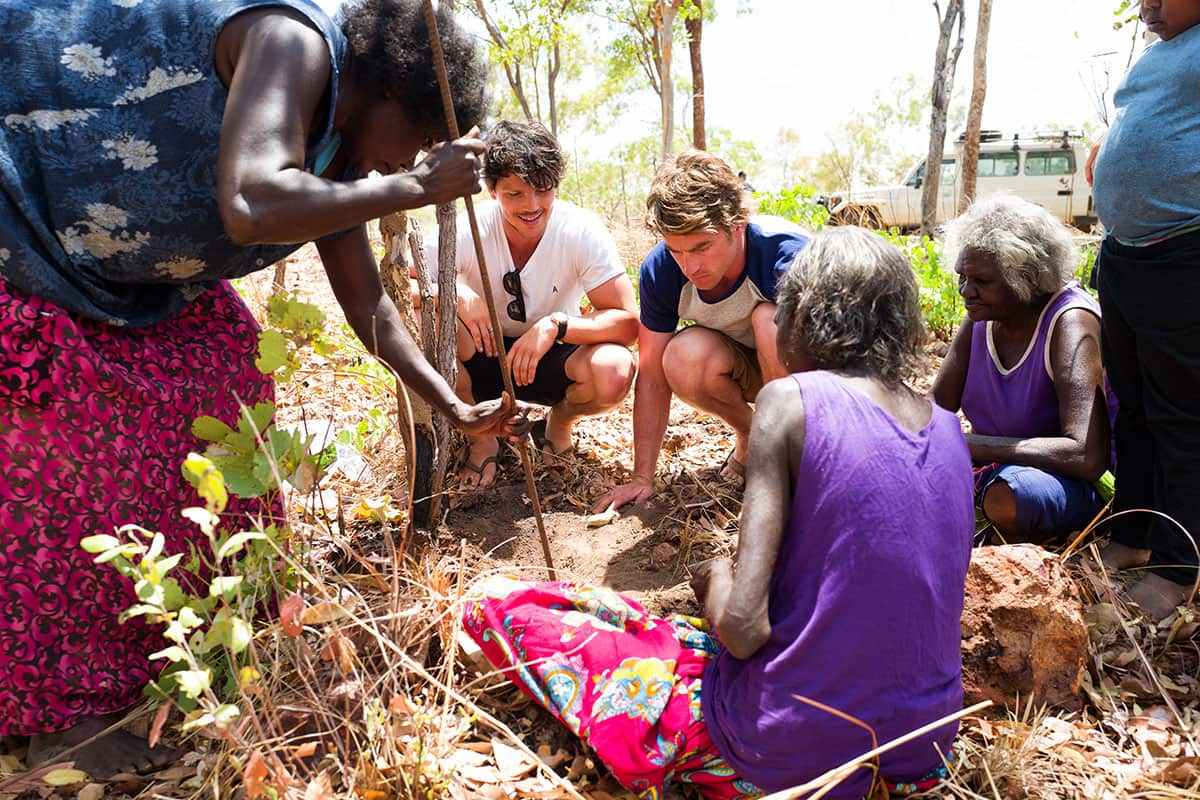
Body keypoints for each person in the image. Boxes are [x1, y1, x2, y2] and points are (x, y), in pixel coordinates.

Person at [0, 0, 527, 776]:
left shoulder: (340, 156)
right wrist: (417, 186)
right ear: (389, 90)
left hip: (138, 283)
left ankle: (187, 643)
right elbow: (251, 201)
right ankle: (61, 714)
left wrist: (449, 405)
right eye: (413, 141)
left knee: (228, 379)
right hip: (25, 232)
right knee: (69, 450)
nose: (401, 162)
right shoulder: (291, 38)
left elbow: (369, 305)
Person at [462, 227, 974, 800]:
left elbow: (743, 630)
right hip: (924, 749)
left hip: (789, 751)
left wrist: (713, 578)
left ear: (808, 318)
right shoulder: (947, 429)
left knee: (500, 605)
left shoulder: (788, 403)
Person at [596, 151, 808, 511]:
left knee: (769, 321)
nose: (690, 266)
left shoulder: (786, 255)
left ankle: (789, 455)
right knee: (682, 356)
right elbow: (651, 374)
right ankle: (751, 437)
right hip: (742, 367)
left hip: (801, 374)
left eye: (702, 247)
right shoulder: (661, 270)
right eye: (676, 250)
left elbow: (837, 363)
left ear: (737, 224)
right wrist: (642, 477)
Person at [433, 121, 637, 488]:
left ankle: (559, 423)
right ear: (491, 191)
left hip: (553, 358)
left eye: (543, 191)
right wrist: (455, 294)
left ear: (556, 185)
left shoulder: (580, 230)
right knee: (426, 318)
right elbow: (398, 283)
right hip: (480, 354)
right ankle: (481, 437)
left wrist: (555, 326)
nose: (532, 207)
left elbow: (627, 323)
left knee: (615, 368)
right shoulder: (469, 228)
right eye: (515, 194)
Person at [1087, 0, 1200, 620]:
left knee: (1180, 413)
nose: (1146, 6)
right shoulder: (1162, 54)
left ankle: (1178, 567)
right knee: (1131, 404)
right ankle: (1133, 533)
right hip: (1125, 255)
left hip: (1183, 253)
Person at [931, 195, 1113, 543]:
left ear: (1027, 277)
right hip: (990, 469)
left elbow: (1086, 455)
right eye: (962, 277)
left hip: (1061, 481)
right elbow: (936, 408)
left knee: (1009, 497)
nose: (967, 291)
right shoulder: (981, 318)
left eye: (982, 281)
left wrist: (968, 445)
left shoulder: (1069, 321)